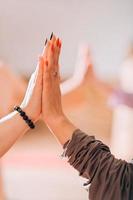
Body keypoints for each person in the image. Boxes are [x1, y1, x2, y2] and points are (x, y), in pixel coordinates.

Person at [0, 34, 133, 200]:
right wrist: (27, 113)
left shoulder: (2, 73)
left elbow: (37, 101)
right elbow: (31, 107)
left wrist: (79, 83)